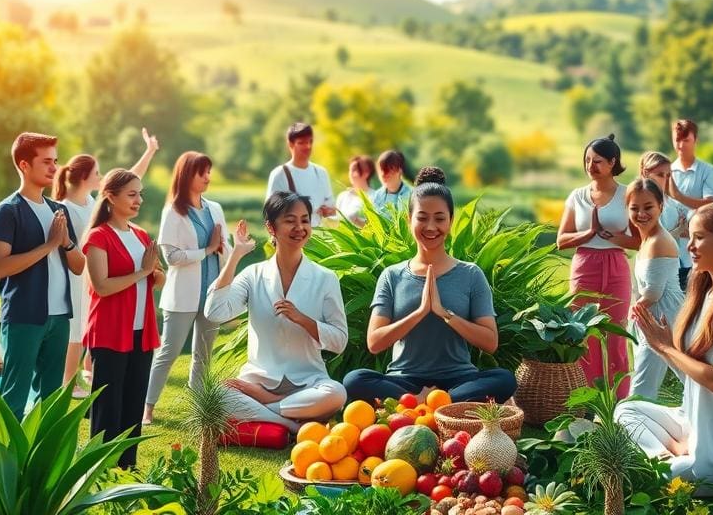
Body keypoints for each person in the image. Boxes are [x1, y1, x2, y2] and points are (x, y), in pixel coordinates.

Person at [615, 201, 713, 487]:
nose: (689, 245)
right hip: (694, 426)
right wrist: (664, 348)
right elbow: (693, 372)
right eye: (690, 236)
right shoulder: (708, 294)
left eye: (699, 237)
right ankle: (667, 455)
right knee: (626, 410)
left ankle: (669, 465)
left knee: (640, 479)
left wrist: (666, 348)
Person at [342, 168, 516, 404]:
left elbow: (490, 342)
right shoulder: (392, 275)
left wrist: (445, 314)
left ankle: (423, 404)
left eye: (440, 218)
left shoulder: (471, 274)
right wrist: (420, 312)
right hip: (404, 379)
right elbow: (374, 342)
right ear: (409, 220)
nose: (431, 227)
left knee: (504, 379)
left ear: (450, 221)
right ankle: (439, 404)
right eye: (422, 218)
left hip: (459, 380)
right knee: (354, 379)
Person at [204, 192, 347, 429]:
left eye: (304, 220)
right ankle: (294, 426)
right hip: (258, 382)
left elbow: (339, 341)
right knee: (220, 394)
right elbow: (215, 311)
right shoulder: (253, 275)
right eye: (290, 220)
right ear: (271, 227)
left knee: (337, 393)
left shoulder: (326, 278)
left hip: (308, 383)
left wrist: (303, 320)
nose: (300, 227)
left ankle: (268, 410)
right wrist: (236, 254)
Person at [52, 128, 159, 398]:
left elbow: (127, 183)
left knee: (86, 335)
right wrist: (143, 271)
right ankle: (68, 382)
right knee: (77, 332)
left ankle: (85, 373)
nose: (100, 177)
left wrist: (149, 152)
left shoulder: (93, 203)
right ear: (84, 177)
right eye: (97, 173)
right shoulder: (65, 209)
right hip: (79, 277)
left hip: (104, 282)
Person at [0, 132, 86, 420]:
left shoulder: (58, 210)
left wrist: (65, 243)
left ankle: (44, 450)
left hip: (60, 317)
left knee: (52, 399)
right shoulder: (8, 211)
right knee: (14, 398)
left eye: (55, 161)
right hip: (23, 317)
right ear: (24, 165)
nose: (54, 168)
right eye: (46, 161)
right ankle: (6, 449)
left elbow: (79, 266)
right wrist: (48, 245)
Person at [82, 168, 165, 469]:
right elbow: (102, 286)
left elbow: (157, 280)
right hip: (109, 332)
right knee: (108, 408)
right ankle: (101, 472)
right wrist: (143, 272)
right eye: (131, 194)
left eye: (140, 194)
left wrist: (155, 273)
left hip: (140, 332)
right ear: (110, 196)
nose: (138, 200)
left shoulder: (140, 235)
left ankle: (128, 471)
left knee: (133, 405)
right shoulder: (98, 237)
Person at [142, 152, 232, 426]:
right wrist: (207, 249)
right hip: (182, 296)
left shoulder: (215, 208)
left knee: (203, 355)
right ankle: (146, 408)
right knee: (168, 352)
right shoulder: (173, 212)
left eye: (209, 171)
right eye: (201, 172)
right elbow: (171, 257)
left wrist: (227, 248)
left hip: (212, 293)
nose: (207, 177)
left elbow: (225, 247)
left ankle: (196, 411)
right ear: (186, 175)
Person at [556, 136, 631, 397]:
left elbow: (639, 240)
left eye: (597, 161)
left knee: (616, 332)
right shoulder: (577, 196)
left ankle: (619, 400)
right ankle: (586, 399)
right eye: (587, 160)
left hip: (616, 264)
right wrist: (588, 234)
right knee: (583, 331)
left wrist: (613, 238)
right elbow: (561, 240)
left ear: (612, 162)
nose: (591, 166)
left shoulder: (627, 195)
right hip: (584, 265)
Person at [626, 178, 684, 400]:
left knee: (641, 388)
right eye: (634, 208)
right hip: (651, 316)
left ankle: (630, 422)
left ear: (660, 206)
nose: (641, 214)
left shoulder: (659, 241)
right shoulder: (648, 238)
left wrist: (630, 314)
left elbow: (653, 293)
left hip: (663, 318)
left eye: (648, 207)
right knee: (686, 377)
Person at [668, 119, 713, 290]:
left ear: (695, 140)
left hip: (696, 247)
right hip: (670, 246)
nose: (681, 145)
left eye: (686, 140)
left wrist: (678, 196)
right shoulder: (666, 171)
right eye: (677, 140)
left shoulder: (708, 171)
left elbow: (711, 204)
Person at [265, 123, 336, 226]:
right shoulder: (280, 174)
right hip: (293, 234)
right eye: (301, 143)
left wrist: (329, 211)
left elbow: (332, 208)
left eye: (310, 142)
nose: (308, 146)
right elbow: (271, 213)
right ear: (290, 144)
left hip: (321, 234)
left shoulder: (321, 173)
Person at [639, 151, 689, 241]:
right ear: (645, 173)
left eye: (668, 175)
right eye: (660, 175)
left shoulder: (672, 202)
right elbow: (653, 240)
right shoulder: (641, 203)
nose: (665, 179)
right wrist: (679, 231)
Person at [335, 155, 376, 226]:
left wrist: (357, 221)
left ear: (366, 173)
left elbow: (375, 225)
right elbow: (337, 223)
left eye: (354, 170)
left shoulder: (374, 197)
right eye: (350, 170)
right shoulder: (342, 196)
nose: (350, 173)